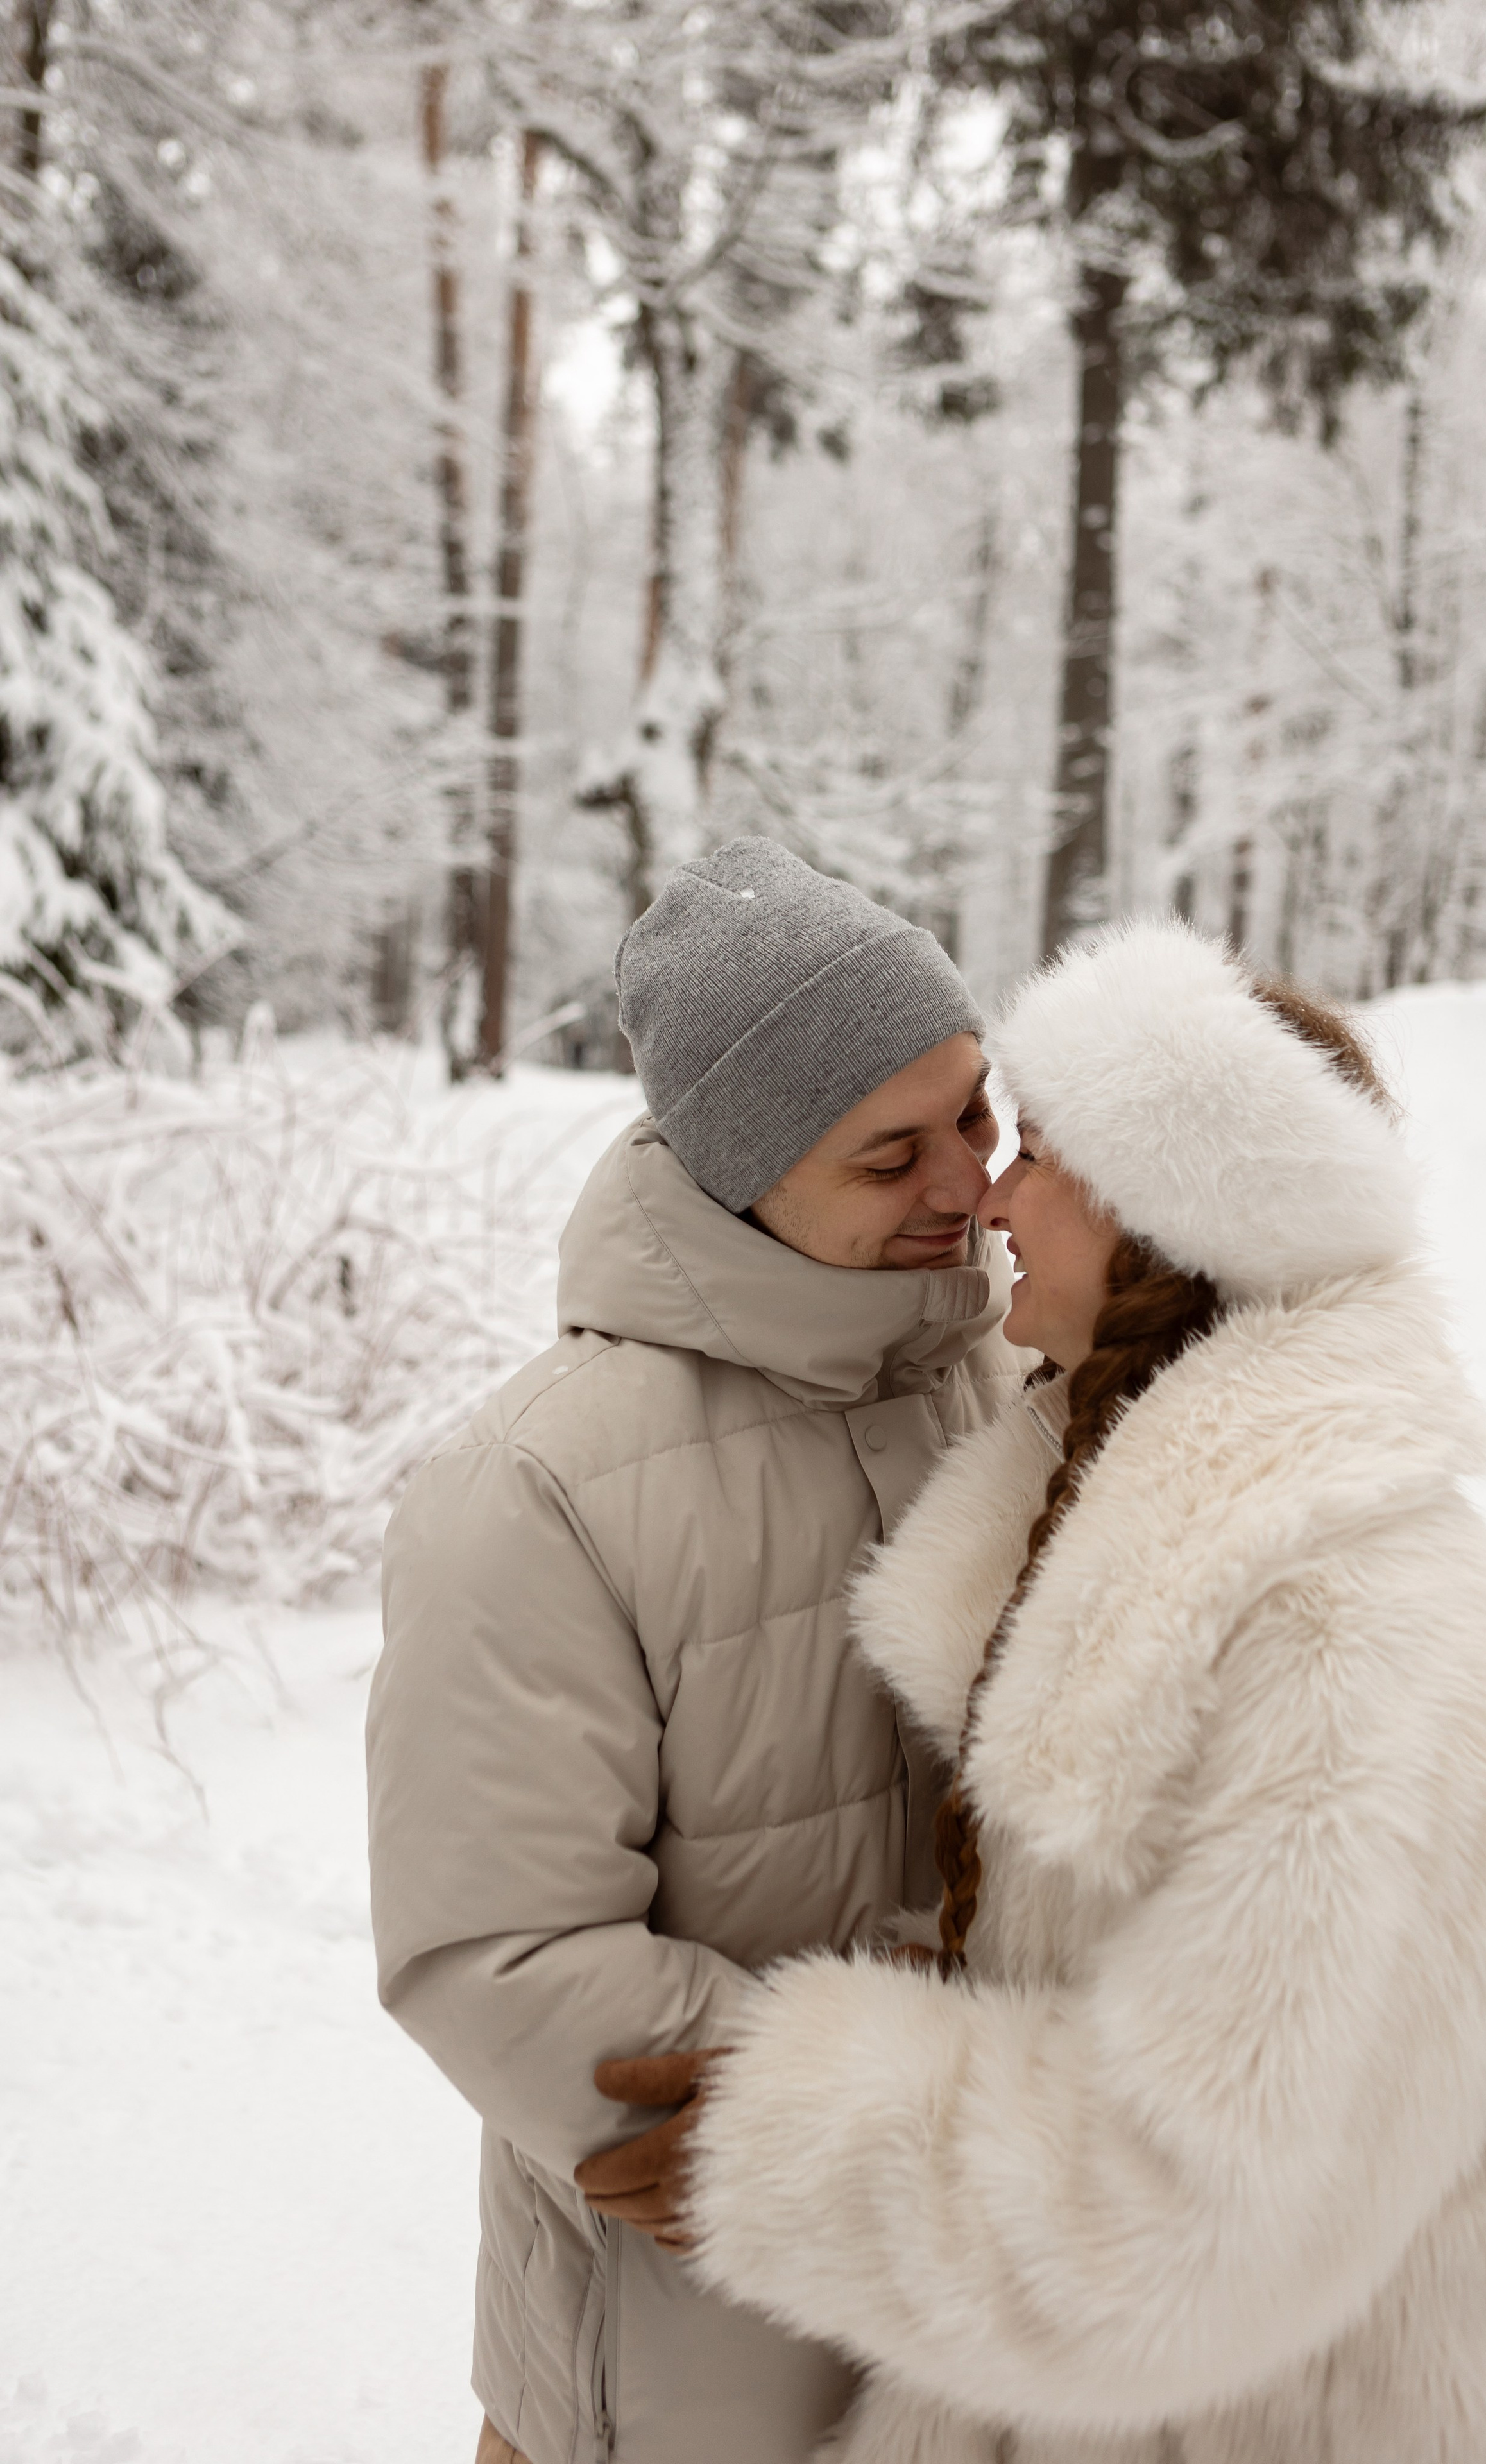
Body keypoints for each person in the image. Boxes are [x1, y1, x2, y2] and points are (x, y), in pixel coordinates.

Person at [578, 921, 1486, 2464]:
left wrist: (795, 2136)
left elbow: (1195, 2219)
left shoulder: (1348, 1633)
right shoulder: (1117, 1500)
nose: (991, 1195)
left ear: (1173, 1217)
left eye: (1045, 1154)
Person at [364, 839, 1023, 2464]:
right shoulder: (537, 1488)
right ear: (746, 1175)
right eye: (890, 1157)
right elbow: (495, 1949)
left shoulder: (1010, 1387)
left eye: (976, 1113)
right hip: (694, 2357)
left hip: (996, 2323)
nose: (966, 1183)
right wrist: (838, 2115)